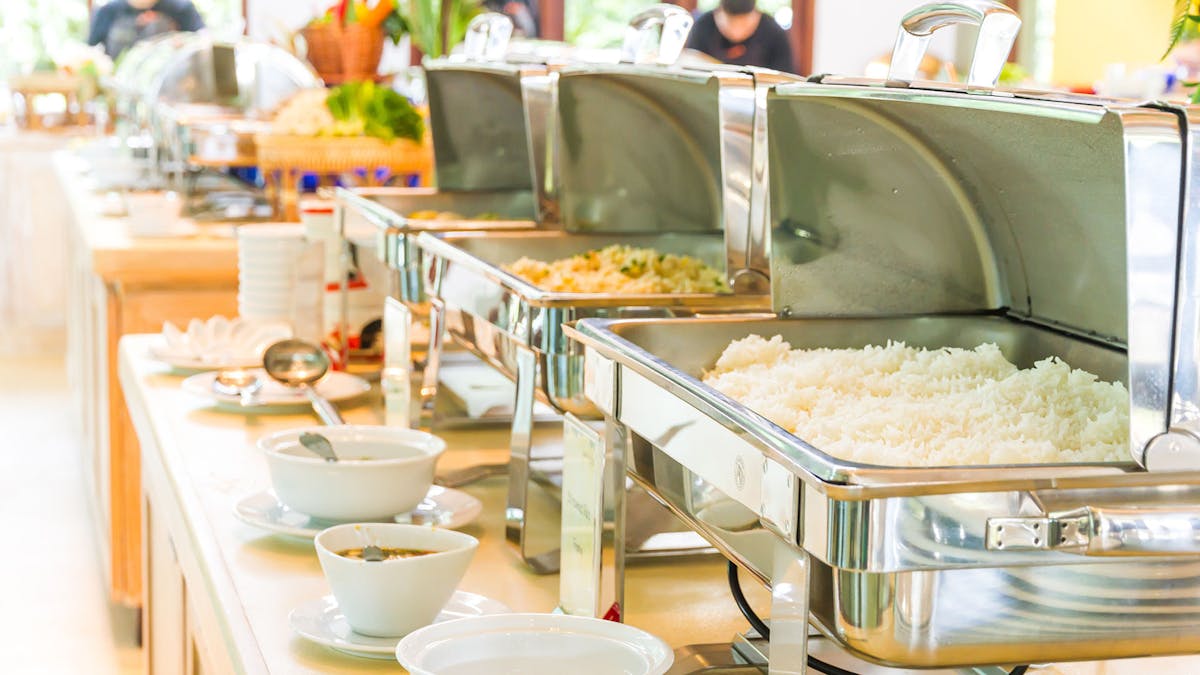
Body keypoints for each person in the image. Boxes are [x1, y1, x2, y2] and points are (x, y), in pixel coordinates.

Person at [685, 0, 793, 73]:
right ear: (718, 13)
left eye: (744, 24)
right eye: (730, 23)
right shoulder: (702, 26)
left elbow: (785, 80)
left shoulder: (774, 33)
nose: (737, 31)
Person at [87, 0, 206, 59]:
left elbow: (204, 42)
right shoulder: (108, 12)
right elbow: (90, 53)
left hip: (171, 93)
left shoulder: (182, 9)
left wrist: (186, 44)